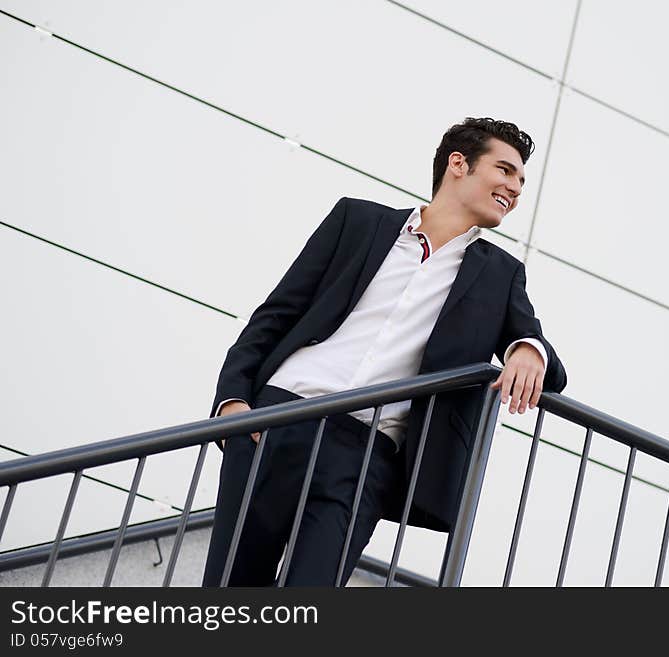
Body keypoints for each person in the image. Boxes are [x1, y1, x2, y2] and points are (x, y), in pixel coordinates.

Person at [202, 117, 567, 586]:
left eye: (520, 180)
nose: (515, 188)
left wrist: (528, 350)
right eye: (505, 170)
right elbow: (275, 315)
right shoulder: (358, 221)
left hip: (366, 454)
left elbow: (542, 353)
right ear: (459, 164)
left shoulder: (499, 274)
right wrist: (232, 402)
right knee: (232, 587)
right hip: (276, 420)